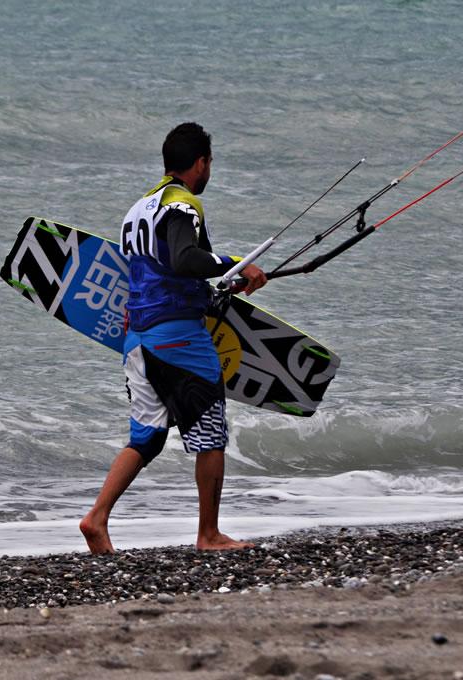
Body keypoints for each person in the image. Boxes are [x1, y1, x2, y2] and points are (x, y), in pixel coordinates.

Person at [79, 122, 267, 553]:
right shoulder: (184, 206)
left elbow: (162, 272)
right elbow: (185, 259)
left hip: (138, 341)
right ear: (201, 162)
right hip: (179, 340)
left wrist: (229, 280)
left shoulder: (138, 210)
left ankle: (97, 517)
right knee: (211, 430)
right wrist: (235, 261)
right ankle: (209, 535)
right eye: (210, 163)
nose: (209, 171)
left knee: (146, 437)